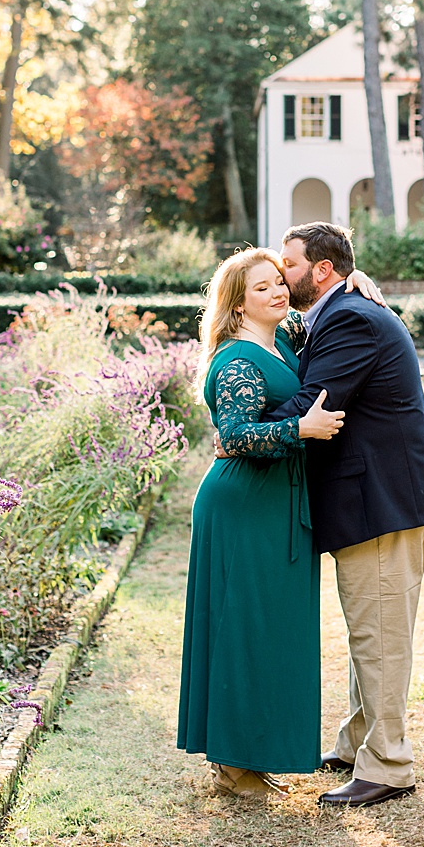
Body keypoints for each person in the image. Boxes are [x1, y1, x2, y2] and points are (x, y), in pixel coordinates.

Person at [260, 221, 424, 809]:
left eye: (289, 265)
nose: (281, 276)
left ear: (322, 271)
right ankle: (357, 743)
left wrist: (243, 424)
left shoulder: (350, 317)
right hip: (380, 494)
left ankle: (389, 765)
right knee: (369, 626)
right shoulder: (339, 310)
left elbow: (314, 403)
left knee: (381, 633)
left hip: (383, 499)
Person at [177, 248, 349, 797]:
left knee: (273, 628)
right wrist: (301, 429)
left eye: (279, 281)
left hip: (278, 503)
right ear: (236, 305)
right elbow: (235, 435)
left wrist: (355, 279)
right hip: (244, 506)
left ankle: (252, 754)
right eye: (261, 288)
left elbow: (323, 303)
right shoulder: (237, 360)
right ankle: (233, 764)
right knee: (243, 627)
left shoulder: (282, 338)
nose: (278, 291)